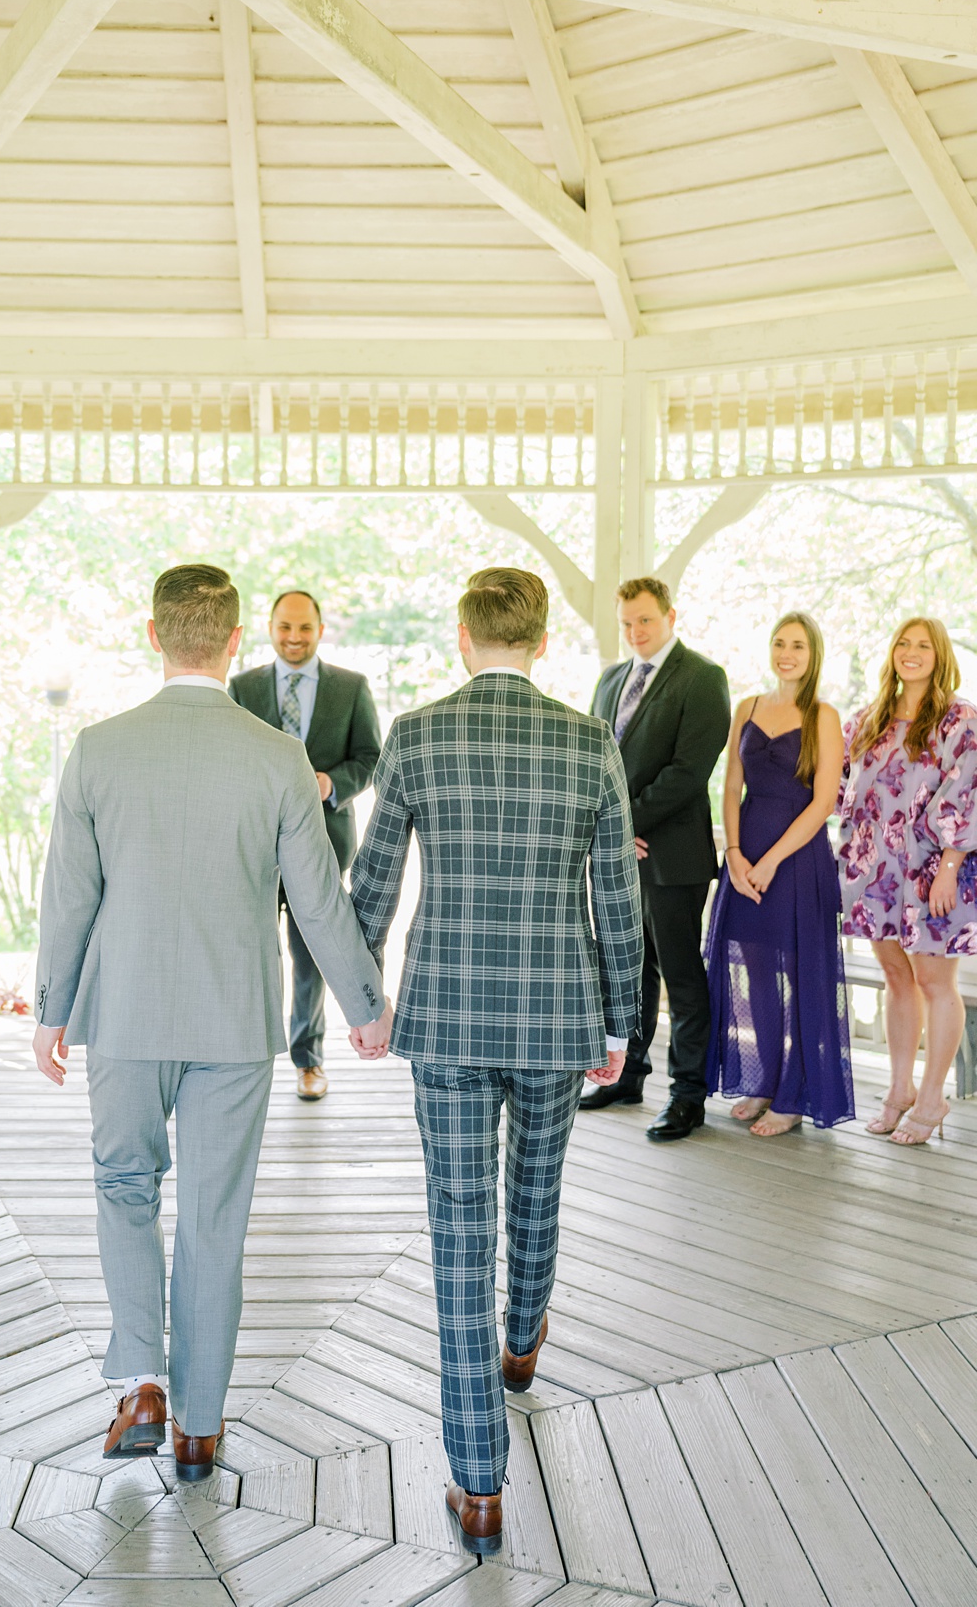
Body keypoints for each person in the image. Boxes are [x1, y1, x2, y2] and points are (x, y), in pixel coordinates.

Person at [33, 564, 385, 1474]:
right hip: (236, 1023)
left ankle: (142, 1379)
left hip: (126, 1014)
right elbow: (319, 901)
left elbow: (68, 897)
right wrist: (365, 1007)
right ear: (236, 643)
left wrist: (50, 1012)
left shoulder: (98, 749)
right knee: (215, 1220)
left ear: (154, 636)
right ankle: (197, 1424)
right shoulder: (277, 758)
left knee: (124, 1187)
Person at [351, 567, 640, 1557]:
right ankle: (522, 1340)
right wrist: (619, 1022)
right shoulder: (589, 741)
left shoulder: (419, 735)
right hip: (558, 1013)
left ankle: (478, 1484)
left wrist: (363, 1001)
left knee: (458, 1231)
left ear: (464, 637)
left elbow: (374, 879)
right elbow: (618, 899)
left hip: (448, 1018)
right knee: (538, 1192)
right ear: (543, 640)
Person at [583, 577, 730, 1142]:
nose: (635, 632)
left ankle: (688, 1095)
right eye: (626, 623)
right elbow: (595, 758)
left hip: (673, 854)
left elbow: (689, 771)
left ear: (671, 615)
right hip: (621, 856)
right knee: (629, 969)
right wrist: (609, 832)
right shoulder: (612, 678)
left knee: (680, 976)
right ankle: (629, 1075)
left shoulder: (702, 678)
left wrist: (624, 824)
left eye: (644, 620)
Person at [229, 589, 383, 1102]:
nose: (294, 637)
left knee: (310, 955)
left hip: (322, 841)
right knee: (249, 948)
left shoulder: (351, 687)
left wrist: (329, 784)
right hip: (251, 844)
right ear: (269, 628)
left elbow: (370, 758)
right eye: (284, 627)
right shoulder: (242, 687)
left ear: (320, 630)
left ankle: (308, 1059)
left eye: (304, 628)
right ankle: (243, 1054)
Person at [704, 613, 851, 1135]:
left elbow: (824, 804)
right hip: (746, 858)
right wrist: (737, 854)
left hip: (797, 860)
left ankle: (792, 1097)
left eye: (798, 646)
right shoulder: (746, 706)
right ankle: (763, 1080)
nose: (786, 653)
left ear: (814, 655)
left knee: (802, 973)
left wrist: (769, 861)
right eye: (779, 643)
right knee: (754, 968)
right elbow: (730, 788)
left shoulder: (823, 716)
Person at [837, 616, 977, 1148]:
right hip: (875, 873)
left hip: (935, 875)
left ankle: (933, 1096)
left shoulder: (958, 719)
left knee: (935, 983)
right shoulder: (867, 720)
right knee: (898, 979)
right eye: (903, 643)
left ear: (939, 655)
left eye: (923, 645)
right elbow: (837, 787)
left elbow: (968, 796)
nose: (911, 652)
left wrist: (948, 868)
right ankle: (900, 1090)